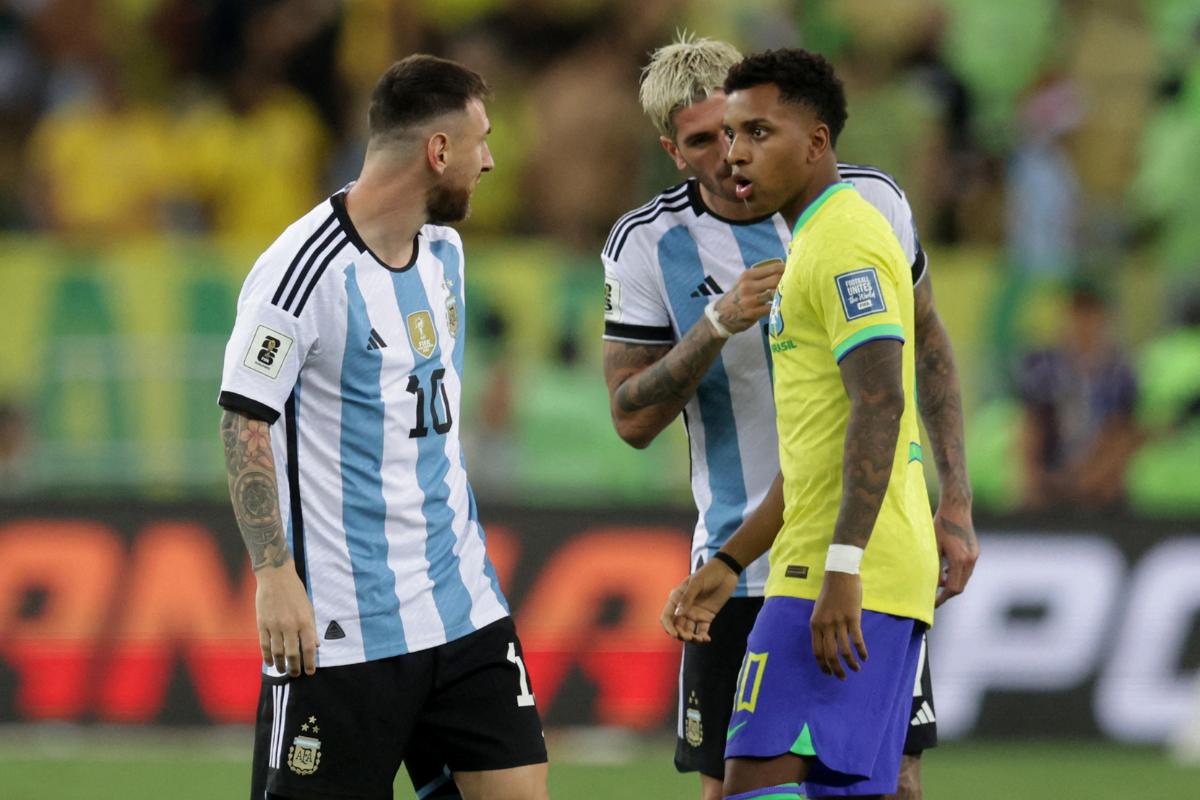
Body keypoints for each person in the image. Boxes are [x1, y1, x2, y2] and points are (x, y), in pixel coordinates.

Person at [603, 37, 974, 800]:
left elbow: (898, 380)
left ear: (807, 141)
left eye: (747, 131)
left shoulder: (855, 217)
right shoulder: (651, 245)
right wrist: (715, 324)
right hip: (767, 545)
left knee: (881, 777)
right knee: (757, 782)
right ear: (674, 149)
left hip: (849, 553)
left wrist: (954, 501)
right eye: (710, 139)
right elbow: (632, 418)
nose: (730, 155)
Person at [218, 55, 547, 800]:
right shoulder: (300, 271)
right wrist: (273, 576)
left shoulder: (446, 255)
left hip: (463, 607)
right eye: (481, 141)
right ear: (438, 150)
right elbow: (243, 418)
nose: (490, 160)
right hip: (344, 629)